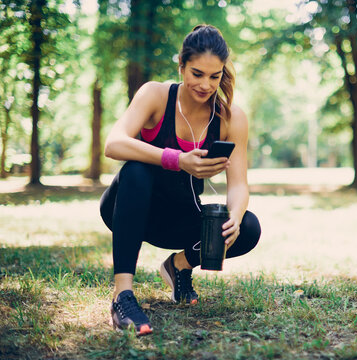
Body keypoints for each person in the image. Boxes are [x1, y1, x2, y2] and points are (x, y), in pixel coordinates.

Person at [99, 24, 261, 336]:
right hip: (128, 208)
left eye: (215, 76)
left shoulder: (230, 117)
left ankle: (179, 266)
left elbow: (239, 183)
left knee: (250, 226)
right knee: (136, 168)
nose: (206, 84)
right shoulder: (156, 95)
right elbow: (113, 143)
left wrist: (236, 216)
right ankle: (123, 294)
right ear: (181, 66)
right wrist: (177, 159)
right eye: (197, 74)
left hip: (178, 218)